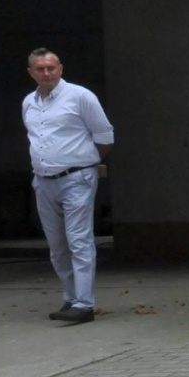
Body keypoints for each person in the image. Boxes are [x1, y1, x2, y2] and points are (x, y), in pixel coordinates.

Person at [22, 49, 114, 324]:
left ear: (60, 68)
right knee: (57, 245)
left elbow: (104, 136)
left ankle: (85, 304)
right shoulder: (29, 102)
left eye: (51, 67)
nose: (47, 73)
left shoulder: (80, 96)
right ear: (31, 72)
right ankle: (71, 298)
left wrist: (85, 163)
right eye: (40, 69)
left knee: (79, 240)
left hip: (76, 178)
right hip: (43, 180)